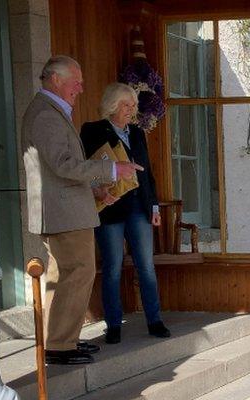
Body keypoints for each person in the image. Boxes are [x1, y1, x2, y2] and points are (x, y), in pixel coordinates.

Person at [23, 56, 142, 365]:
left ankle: (60, 340)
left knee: (63, 276)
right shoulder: (46, 115)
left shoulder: (50, 111)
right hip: (64, 214)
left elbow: (58, 169)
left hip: (66, 210)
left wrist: (95, 188)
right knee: (78, 273)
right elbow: (63, 165)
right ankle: (61, 345)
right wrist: (112, 170)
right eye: (76, 80)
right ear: (55, 80)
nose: (81, 87)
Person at [81, 83, 170, 344]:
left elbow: (147, 174)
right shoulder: (93, 130)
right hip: (110, 207)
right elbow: (86, 168)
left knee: (146, 266)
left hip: (139, 208)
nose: (131, 110)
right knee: (112, 268)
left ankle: (154, 321)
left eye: (133, 106)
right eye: (126, 105)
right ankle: (113, 325)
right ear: (112, 105)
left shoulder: (138, 133)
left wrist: (154, 207)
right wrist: (98, 192)